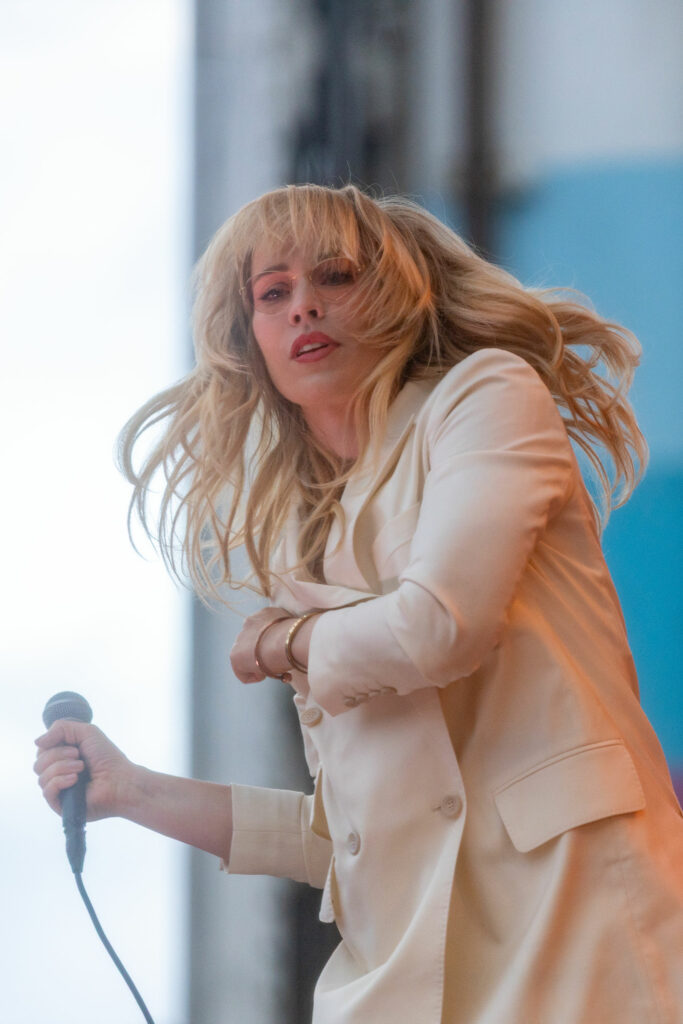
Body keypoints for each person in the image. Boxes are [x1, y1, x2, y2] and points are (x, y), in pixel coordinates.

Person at [35, 184, 683, 1024]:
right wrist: (132, 792)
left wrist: (286, 643)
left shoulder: (483, 396)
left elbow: (439, 627)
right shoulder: (306, 542)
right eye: (273, 293)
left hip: (576, 919)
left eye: (335, 276)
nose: (304, 306)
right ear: (249, 340)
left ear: (394, 298)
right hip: (406, 977)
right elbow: (350, 837)